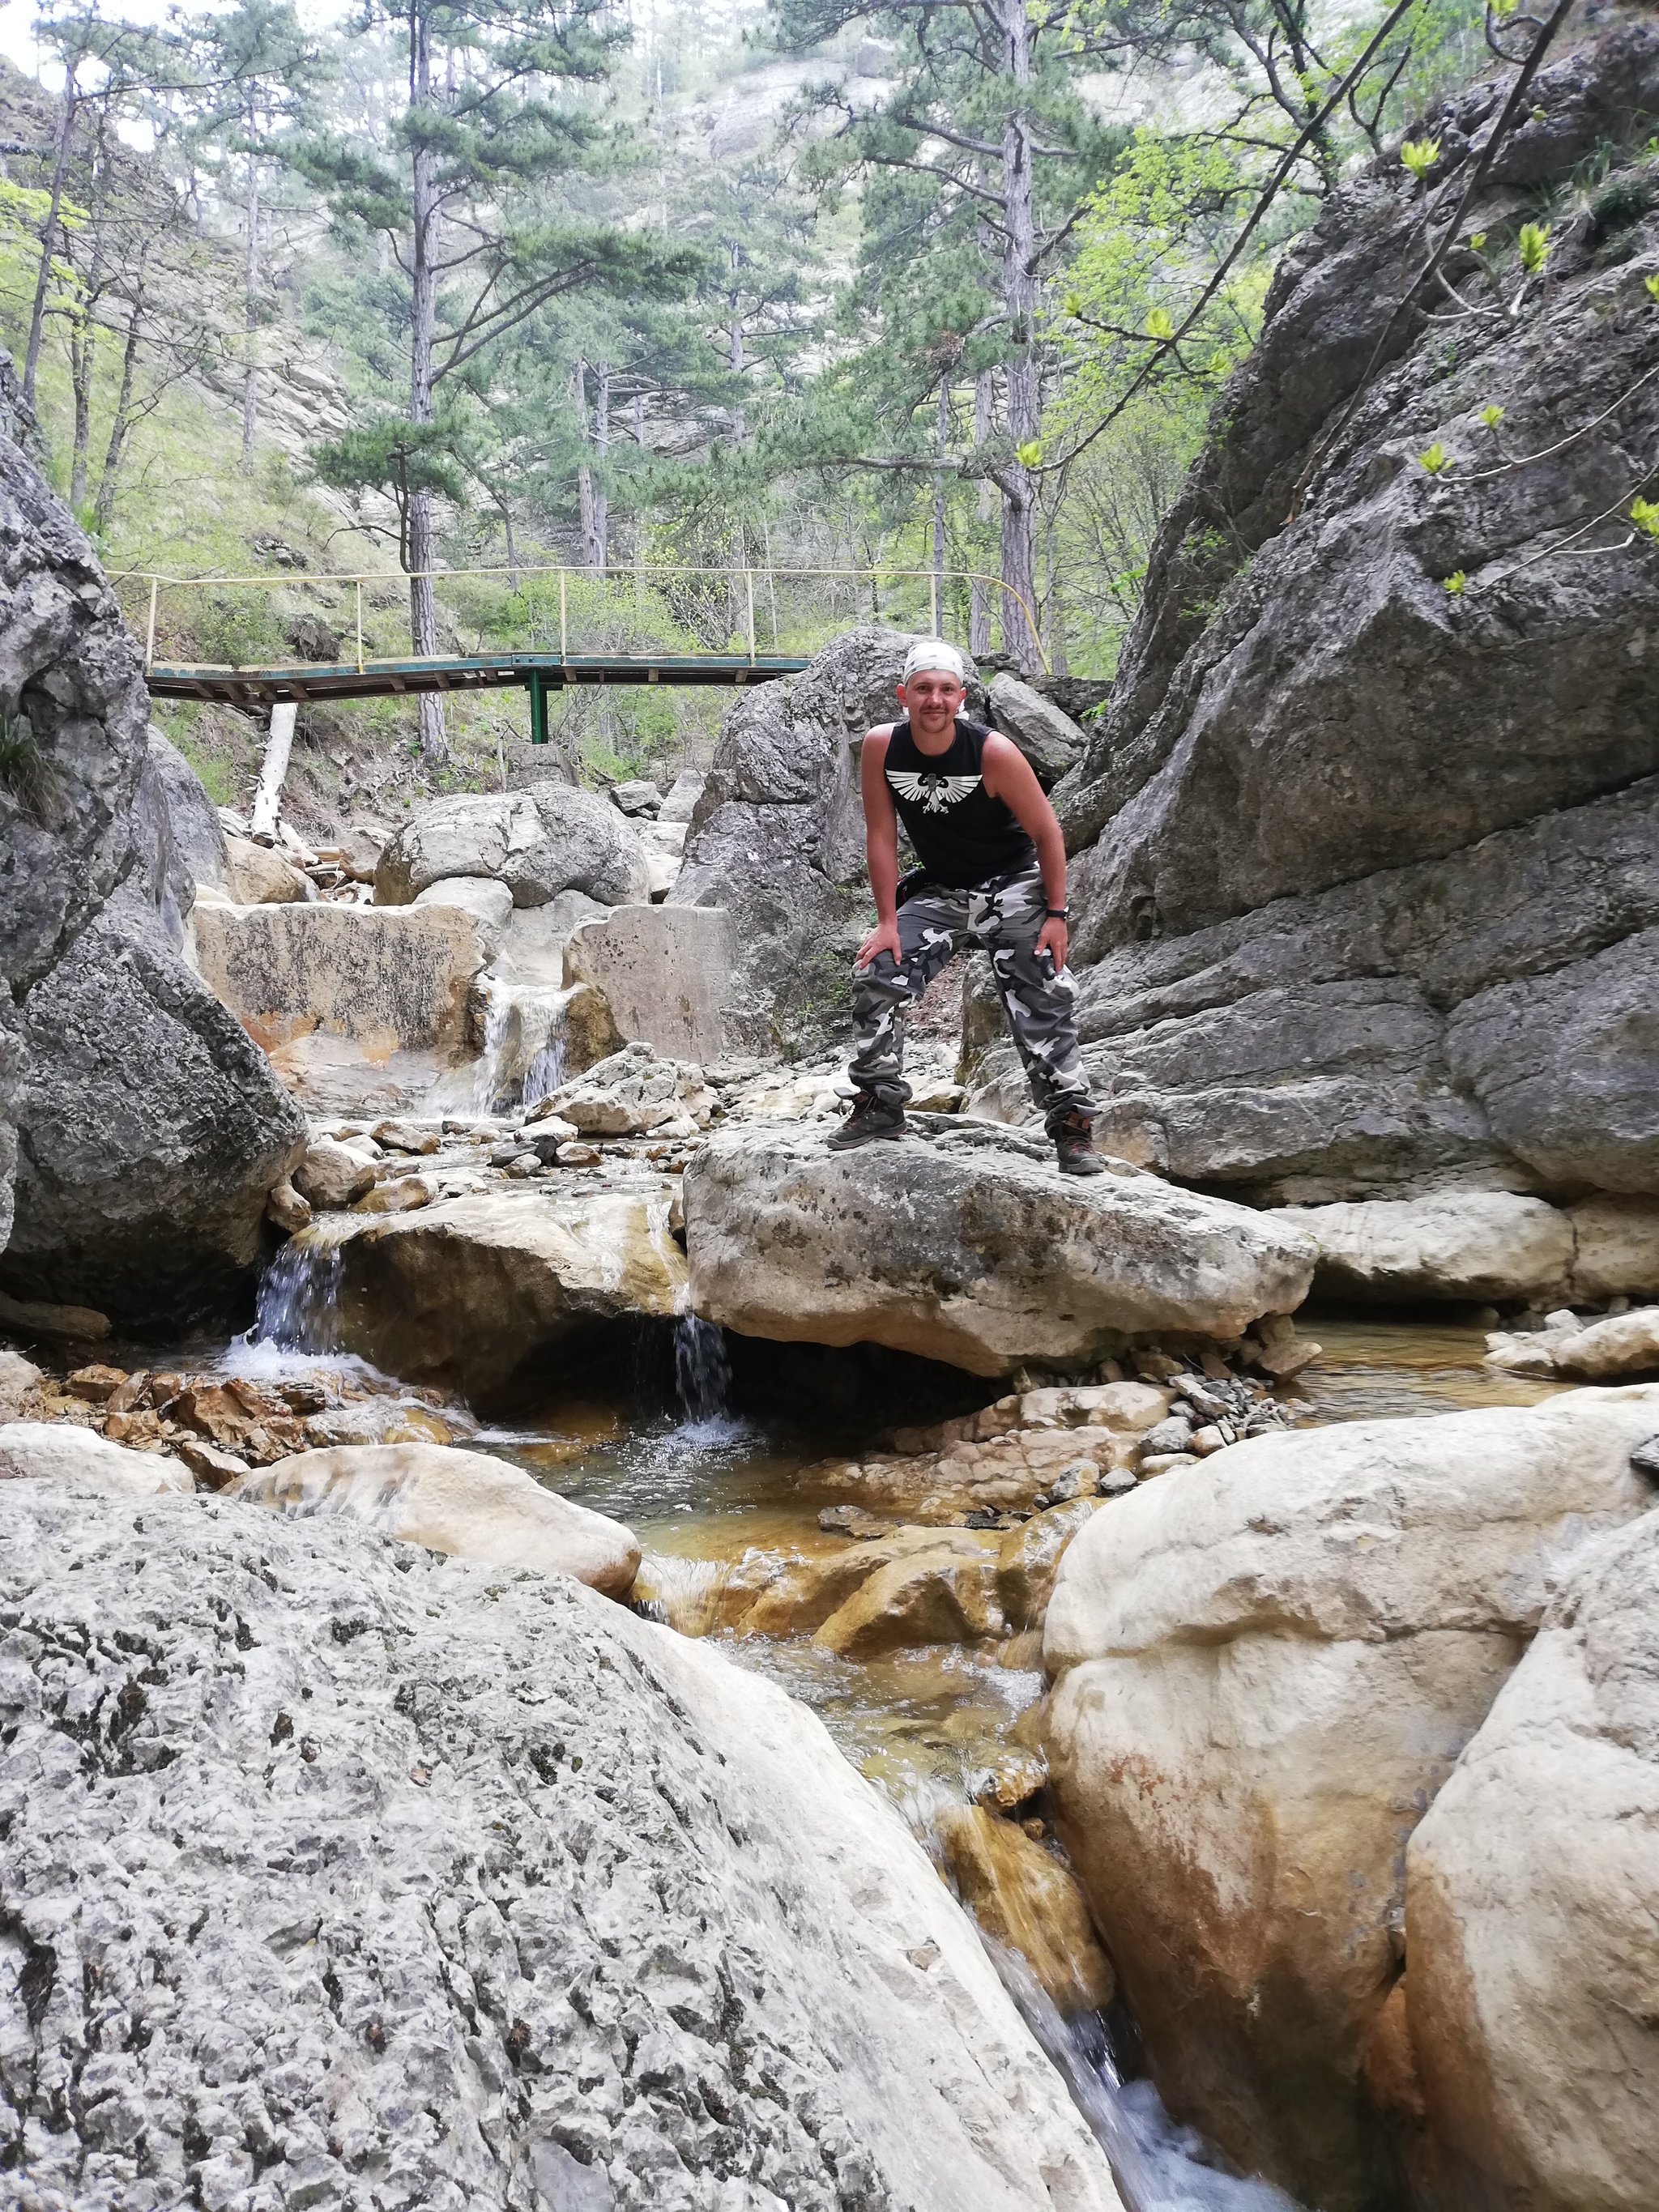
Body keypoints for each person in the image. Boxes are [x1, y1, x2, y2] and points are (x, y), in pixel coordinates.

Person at [829, 637, 1104, 1177]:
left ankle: (1072, 1126)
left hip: (1013, 883)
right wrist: (887, 922)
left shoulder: (992, 752)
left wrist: (1056, 915)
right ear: (902, 695)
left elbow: (1048, 832)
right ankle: (880, 1105)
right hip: (942, 888)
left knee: (1041, 990)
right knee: (876, 970)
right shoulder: (883, 747)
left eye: (946, 690)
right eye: (924, 689)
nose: (935, 699)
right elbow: (881, 838)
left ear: (961, 698)